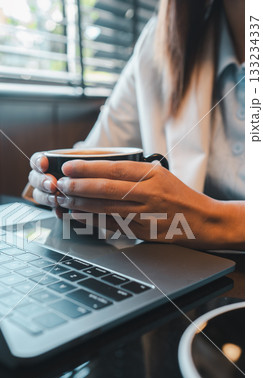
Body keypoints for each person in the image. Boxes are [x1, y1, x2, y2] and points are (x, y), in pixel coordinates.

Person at [28, 0, 245, 250]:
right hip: (182, 266)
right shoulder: (160, 40)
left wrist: (207, 220)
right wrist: (53, 187)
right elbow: (98, 152)